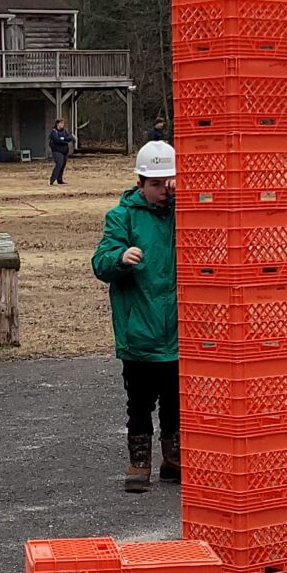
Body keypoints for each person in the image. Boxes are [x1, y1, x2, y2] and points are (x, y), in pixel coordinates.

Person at [91, 140, 180, 491]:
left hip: (176, 330)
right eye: (155, 184)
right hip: (139, 330)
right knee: (139, 402)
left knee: (176, 401)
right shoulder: (121, 217)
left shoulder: (184, 213)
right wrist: (119, 257)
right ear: (139, 183)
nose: (162, 191)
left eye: (168, 183)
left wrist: (185, 193)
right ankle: (138, 460)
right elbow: (100, 261)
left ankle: (174, 458)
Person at [47, 119, 75, 187]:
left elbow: (70, 137)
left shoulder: (65, 131)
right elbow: (57, 140)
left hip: (64, 151)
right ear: (57, 124)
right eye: (61, 123)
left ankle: (60, 180)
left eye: (63, 123)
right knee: (59, 164)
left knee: (63, 165)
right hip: (57, 151)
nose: (62, 125)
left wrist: (64, 139)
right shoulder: (54, 132)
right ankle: (52, 180)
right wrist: (64, 140)